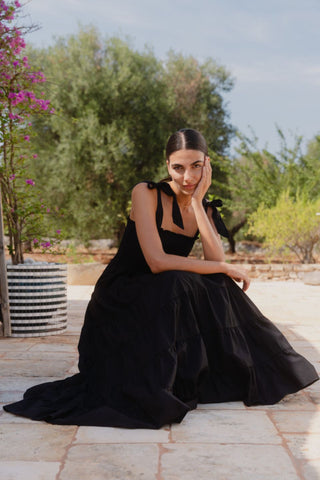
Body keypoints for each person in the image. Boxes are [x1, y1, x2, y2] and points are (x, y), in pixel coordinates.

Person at [4, 128, 319, 429]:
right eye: (179, 167)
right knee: (179, 279)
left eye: (196, 166)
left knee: (210, 282)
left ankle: (253, 369)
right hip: (122, 295)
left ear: (207, 165)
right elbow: (156, 262)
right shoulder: (146, 193)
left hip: (164, 294)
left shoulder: (204, 208)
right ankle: (157, 379)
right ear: (167, 166)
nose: (187, 176)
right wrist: (223, 267)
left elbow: (215, 261)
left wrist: (198, 203)